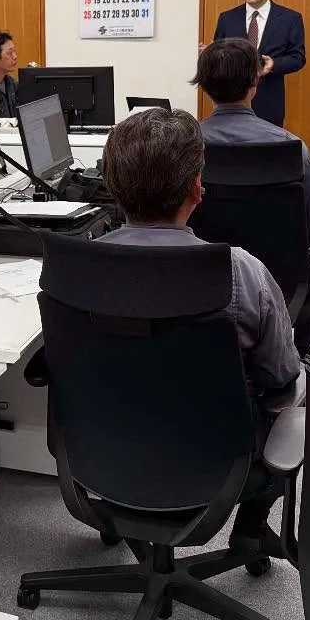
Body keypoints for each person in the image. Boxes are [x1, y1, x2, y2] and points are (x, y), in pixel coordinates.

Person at [99, 107, 299, 553]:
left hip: (104, 456)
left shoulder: (77, 268)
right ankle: (251, 528)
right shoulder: (239, 271)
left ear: (112, 185)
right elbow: (281, 377)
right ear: (196, 188)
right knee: (301, 401)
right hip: (218, 466)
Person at [194, 38, 310, 355]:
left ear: (203, 86)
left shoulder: (185, 148)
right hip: (280, 285)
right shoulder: (292, 148)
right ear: (255, 82)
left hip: (199, 280)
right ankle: (297, 352)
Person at [211, 0, 304, 127]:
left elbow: (298, 58)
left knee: (269, 144)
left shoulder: (290, 19)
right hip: (231, 104)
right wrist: (210, 55)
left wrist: (274, 64)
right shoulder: (227, 18)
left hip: (269, 103)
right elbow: (219, 55)